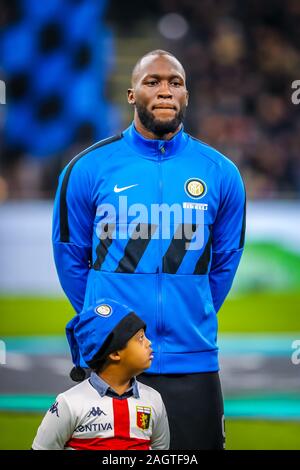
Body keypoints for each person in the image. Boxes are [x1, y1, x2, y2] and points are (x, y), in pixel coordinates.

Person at [52, 49, 246, 449]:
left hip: (193, 362)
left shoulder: (221, 173)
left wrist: (189, 311)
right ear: (130, 94)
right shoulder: (86, 169)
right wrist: (110, 327)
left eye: (175, 82)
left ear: (187, 95)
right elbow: (71, 259)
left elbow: (225, 263)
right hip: (113, 364)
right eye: (152, 81)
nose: (164, 90)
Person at [32, 298, 170, 450]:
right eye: (140, 338)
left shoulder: (154, 399)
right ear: (115, 354)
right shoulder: (69, 403)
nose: (149, 342)